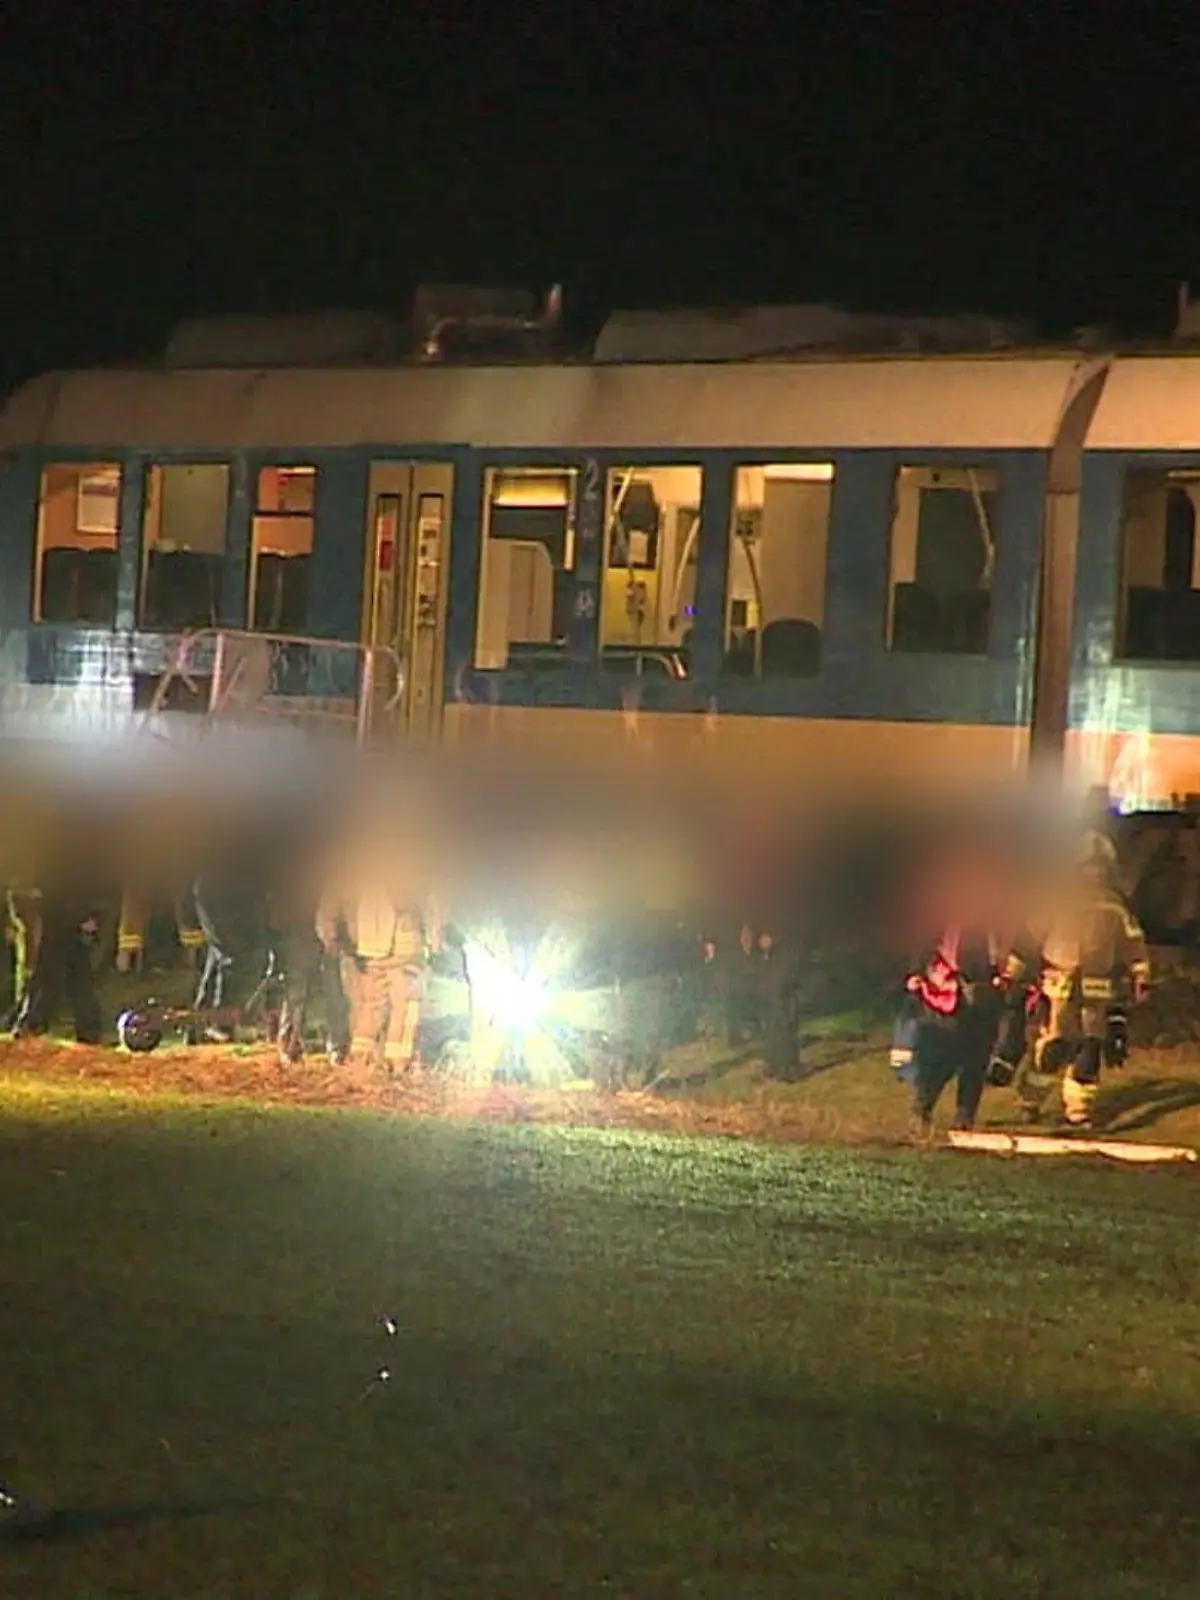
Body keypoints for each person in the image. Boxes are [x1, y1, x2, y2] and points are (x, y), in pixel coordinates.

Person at [1003, 836, 1150, 1129]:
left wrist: (1141, 977)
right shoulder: (1055, 900)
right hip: (1058, 986)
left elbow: (1133, 944)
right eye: (1087, 867)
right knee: (1052, 1048)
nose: (1092, 873)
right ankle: (1030, 1099)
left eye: (1097, 868)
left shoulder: (1114, 906)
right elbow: (1029, 940)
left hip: (1097, 991)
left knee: (1089, 1048)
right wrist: (1012, 973)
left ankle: (1078, 1111)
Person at [315, 797, 443, 1075]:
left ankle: (361, 1061)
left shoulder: (349, 859)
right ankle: (399, 1062)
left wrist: (330, 935)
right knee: (406, 1004)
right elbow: (428, 900)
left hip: (363, 946)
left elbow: (329, 903)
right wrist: (435, 938)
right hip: (402, 944)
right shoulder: (413, 857)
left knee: (369, 1006)